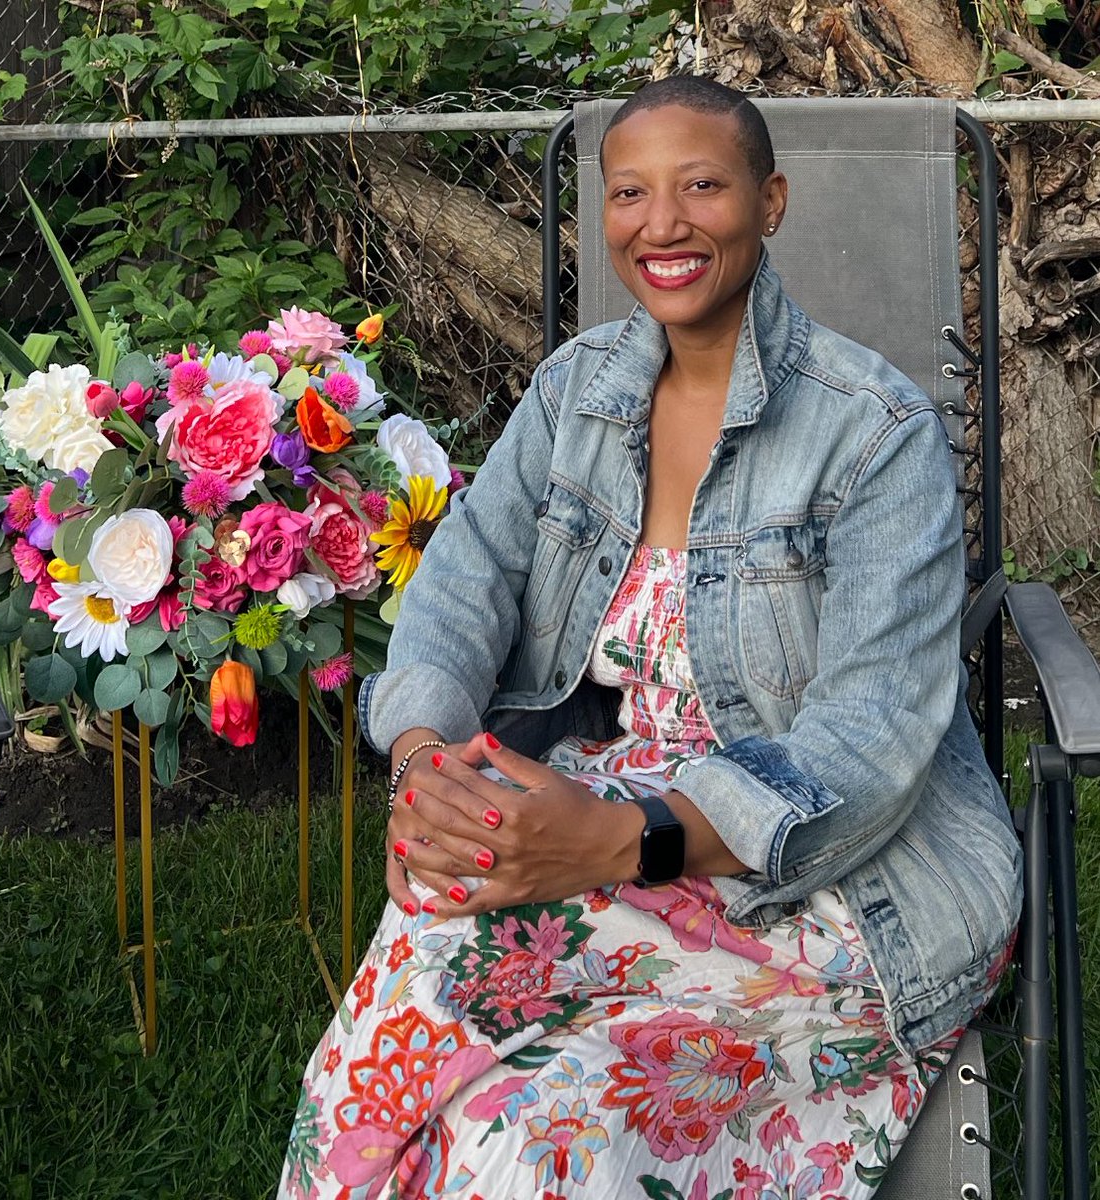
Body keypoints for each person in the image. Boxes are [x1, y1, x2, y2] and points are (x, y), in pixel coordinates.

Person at [278, 77, 1022, 1200]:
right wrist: (428, 764)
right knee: (409, 1045)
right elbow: (460, 588)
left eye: (702, 185)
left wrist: (618, 843)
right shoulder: (573, 394)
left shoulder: (876, 435)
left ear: (770, 201)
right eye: (629, 192)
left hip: (837, 886)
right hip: (603, 815)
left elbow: (865, 748)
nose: (661, 223)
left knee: (535, 1129)